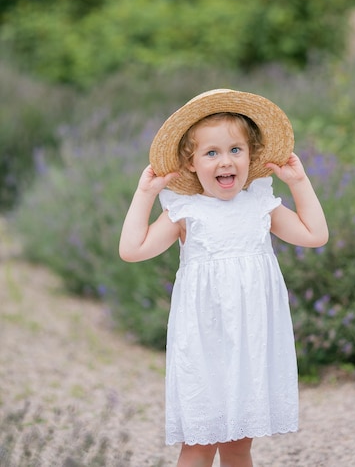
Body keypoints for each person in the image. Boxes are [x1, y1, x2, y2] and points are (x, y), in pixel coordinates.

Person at [119, 89, 328, 467]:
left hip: (249, 343)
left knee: (238, 445)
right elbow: (132, 249)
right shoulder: (186, 210)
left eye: (235, 150)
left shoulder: (261, 204)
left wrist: (299, 182)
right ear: (191, 164)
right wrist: (144, 194)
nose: (225, 161)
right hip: (203, 342)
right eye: (211, 153)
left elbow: (315, 234)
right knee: (198, 445)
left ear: (252, 157)